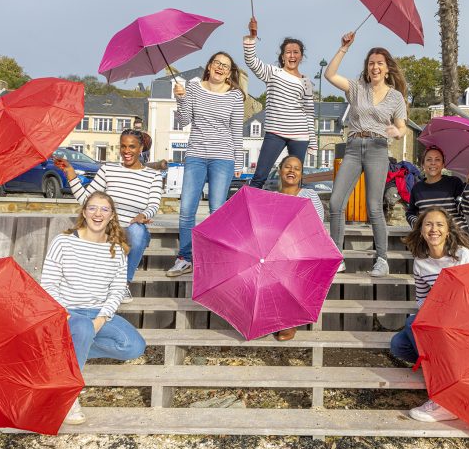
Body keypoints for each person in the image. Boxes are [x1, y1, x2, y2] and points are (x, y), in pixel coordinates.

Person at [40, 191, 146, 425]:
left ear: (111, 216)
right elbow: (47, 284)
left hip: (97, 312)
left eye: (104, 209)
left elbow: (117, 290)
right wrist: (64, 313)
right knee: (81, 327)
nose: (98, 214)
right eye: (93, 208)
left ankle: (68, 350)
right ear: (84, 212)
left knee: (134, 346)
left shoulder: (117, 249)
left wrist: (101, 318)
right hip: (66, 312)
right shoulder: (64, 242)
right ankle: (68, 395)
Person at [324, 32, 408, 278]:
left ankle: (382, 259)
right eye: (371, 63)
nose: (375, 66)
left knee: (373, 206)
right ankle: (337, 258)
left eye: (379, 63)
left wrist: (396, 131)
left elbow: (402, 127)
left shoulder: (395, 97)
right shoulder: (356, 88)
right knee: (337, 203)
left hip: (378, 148)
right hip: (353, 147)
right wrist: (343, 48)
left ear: (387, 68)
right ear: (367, 67)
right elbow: (329, 75)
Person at [390, 207, 469, 422]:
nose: (434, 229)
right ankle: (440, 367)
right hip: (438, 318)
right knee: (398, 345)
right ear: (420, 231)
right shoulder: (421, 262)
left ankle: (444, 399)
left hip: (465, 318)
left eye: (439, 224)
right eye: (428, 224)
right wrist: (433, 319)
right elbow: (422, 299)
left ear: (448, 230)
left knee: (412, 325)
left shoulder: (463, 256)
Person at [55, 129, 163, 302]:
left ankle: (122, 285)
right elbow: (86, 200)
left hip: (132, 229)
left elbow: (153, 204)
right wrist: (70, 173)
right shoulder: (108, 169)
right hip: (108, 227)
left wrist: (143, 215)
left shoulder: (154, 176)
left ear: (141, 148)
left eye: (132, 147)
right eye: (123, 146)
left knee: (137, 231)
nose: (126, 151)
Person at [166, 52, 246, 277]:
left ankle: (214, 257)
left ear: (230, 73)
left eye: (226, 66)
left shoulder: (235, 96)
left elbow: (237, 132)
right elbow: (184, 121)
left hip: (223, 158)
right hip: (196, 155)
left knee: (217, 210)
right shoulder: (193, 88)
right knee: (186, 209)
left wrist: (238, 161)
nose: (220, 68)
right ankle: (185, 257)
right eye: (217, 63)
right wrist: (180, 99)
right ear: (209, 66)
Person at [243, 17, 316, 189]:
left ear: (301, 56)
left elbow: (309, 112)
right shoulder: (273, 73)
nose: (292, 55)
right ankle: (248, 213)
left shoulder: (306, 82)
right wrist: (252, 37)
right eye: (288, 52)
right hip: (275, 132)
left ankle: (293, 214)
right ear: (282, 56)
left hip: (299, 134)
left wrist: (312, 142)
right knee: (259, 176)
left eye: (296, 52)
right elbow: (251, 61)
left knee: (296, 180)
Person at [273, 155, 325, 341]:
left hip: (304, 247)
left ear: (301, 174)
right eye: (288, 167)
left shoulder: (310, 195)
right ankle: (269, 319)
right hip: (277, 248)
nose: (292, 171)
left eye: (296, 168)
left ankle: (289, 321)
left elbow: (317, 225)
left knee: (290, 268)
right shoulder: (272, 197)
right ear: (280, 171)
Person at [405, 145, 469, 234]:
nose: (433, 163)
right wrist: (419, 225)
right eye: (429, 159)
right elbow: (410, 213)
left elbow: (468, 210)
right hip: (432, 238)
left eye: (437, 159)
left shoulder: (454, 183)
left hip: (456, 236)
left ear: (443, 164)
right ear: (423, 164)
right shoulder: (417, 188)